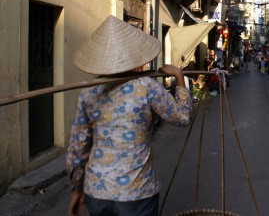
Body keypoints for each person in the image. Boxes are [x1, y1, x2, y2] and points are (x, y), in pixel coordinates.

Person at [66, 15, 193, 216]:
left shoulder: (88, 93)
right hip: (137, 193)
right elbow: (183, 117)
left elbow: (78, 148)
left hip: (97, 192)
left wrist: (77, 188)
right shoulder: (147, 87)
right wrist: (179, 76)